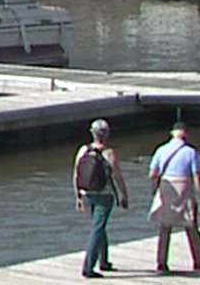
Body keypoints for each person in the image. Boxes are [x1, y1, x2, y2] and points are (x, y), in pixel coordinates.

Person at [148, 120, 200, 273]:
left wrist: (155, 189)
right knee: (191, 226)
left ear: (172, 133)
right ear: (185, 134)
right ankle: (199, 261)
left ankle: (162, 262)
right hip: (184, 187)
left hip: (167, 187)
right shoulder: (190, 152)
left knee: (165, 228)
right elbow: (196, 176)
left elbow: (152, 174)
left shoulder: (161, 149)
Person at [74, 118, 129, 279]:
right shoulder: (109, 153)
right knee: (97, 228)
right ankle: (88, 267)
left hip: (87, 193)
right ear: (107, 135)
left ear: (92, 133)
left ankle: (104, 261)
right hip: (105, 196)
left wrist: (77, 195)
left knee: (99, 226)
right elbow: (117, 176)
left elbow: (76, 174)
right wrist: (124, 194)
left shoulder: (83, 150)